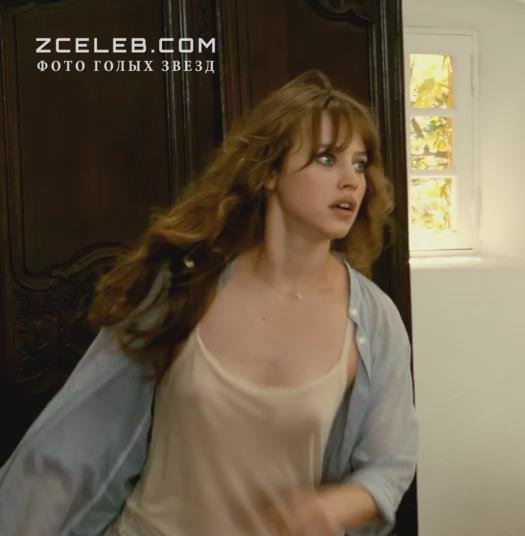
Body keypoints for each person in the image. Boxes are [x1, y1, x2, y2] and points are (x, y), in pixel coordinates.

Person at [0, 70, 418, 536]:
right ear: (269, 172)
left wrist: (334, 507)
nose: (351, 182)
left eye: (360, 165)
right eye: (326, 158)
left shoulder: (374, 321)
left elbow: (391, 464)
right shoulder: (182, 285)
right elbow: (74, 445)